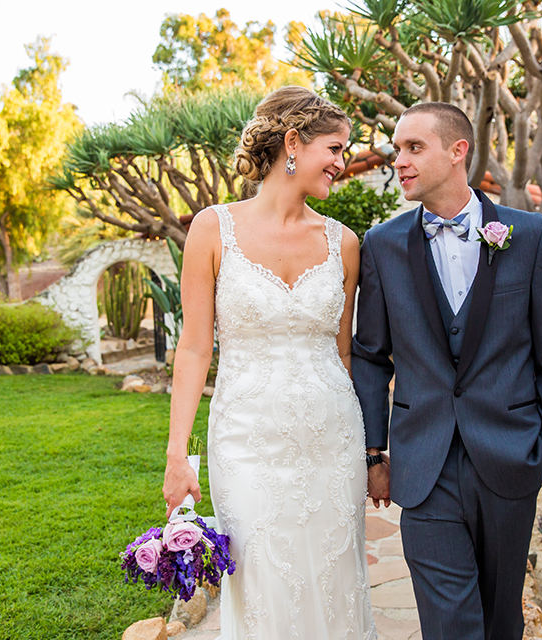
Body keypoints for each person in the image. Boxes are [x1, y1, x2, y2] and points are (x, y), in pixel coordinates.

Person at [352, 102, 542, 640]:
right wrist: (374, 452)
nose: (398, 160)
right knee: (450, 622)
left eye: (413, 148)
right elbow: (369, 354)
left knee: (502, 619)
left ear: (458, 152)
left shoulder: (531, 235)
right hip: (423, 465)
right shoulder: (381, 245)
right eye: (397, 148)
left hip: (509, 457)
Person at [162, 86, 376, 639]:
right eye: (333, 147)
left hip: (332, 438)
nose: (340, 162)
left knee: (334, 578)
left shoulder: (344, 244)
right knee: (260, 581)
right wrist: (179, 455)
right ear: (292, 144)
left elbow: (344, 351)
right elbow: (193, 347)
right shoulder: (213, 229)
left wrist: (373, 449)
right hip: (245, 439)